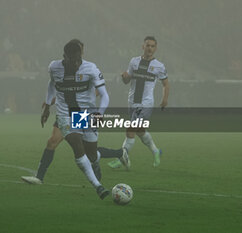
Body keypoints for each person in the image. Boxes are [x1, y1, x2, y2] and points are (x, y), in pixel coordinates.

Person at [21, 40, 129, 188]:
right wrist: (47, 104)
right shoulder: (55, 67)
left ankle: (118, 153)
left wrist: (98, 113)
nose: (78, 61)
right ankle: (39, 177)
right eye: (74, 57)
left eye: (80, 55)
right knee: (53, 141)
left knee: (89, 153)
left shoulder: (89, 69)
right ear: (65, 56)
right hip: (65, 113)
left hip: (81, 114)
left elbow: (99, 92)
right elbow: (53, 84)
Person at [108, 36, 170, 169]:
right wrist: (124, 77)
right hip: (132, 101)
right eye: (148, 45)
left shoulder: (159, 66)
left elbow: (165, 83)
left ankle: (122, 158)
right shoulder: (134, 61)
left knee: (130, 129)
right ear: (143, 46)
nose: (150, 48)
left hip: (146, 103)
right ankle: (155, 151)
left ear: (156, 48)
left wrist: (164, 99)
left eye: (153, 46)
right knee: (140, 131)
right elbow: (127, 80)